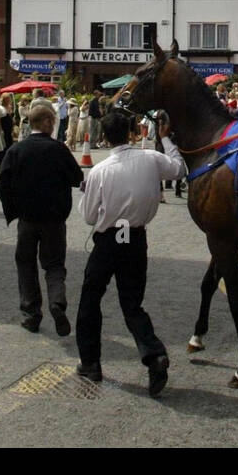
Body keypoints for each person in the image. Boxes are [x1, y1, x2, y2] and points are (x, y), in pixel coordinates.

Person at [74, 110, 185, 397]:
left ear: (104, 137)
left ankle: (91, 363)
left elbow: (88, 216)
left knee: (90, 299)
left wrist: (89, 195)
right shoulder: (150, 158)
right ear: (132, 132)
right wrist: (165, 139)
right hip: (134, 237)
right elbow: (179, 169)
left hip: (111, 238)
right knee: (132, 304)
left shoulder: (100, 171)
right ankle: (154, 354)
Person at [0, 102, 84, 335]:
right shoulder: (59, 149)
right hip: (54, 219)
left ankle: (31, 314)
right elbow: (77, 178)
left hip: (27, 218)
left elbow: (3, 184)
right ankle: (57, 302)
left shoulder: (16, 150)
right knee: (54, 264)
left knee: (25, 263)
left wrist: (12, 210)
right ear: (48, 123)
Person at [0, 92, 15, 164]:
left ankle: (8, 158)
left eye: (9, 99)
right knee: (4, 142)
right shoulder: (0, 107)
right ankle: (2, 159)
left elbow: (10, 117)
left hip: (9, 127)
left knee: (9, 142)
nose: (8, 100)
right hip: (3, 127)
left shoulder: (9, 106)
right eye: (7, 99)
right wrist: (0, 129)